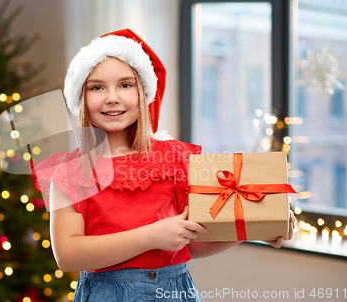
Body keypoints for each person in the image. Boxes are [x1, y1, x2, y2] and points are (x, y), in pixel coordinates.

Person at [32, 29, 296, 302]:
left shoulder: (175, 159)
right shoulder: (69, 172)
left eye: (125, 85)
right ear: (82, 98)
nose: (112, 97)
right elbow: (68, 254)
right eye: (97, 87)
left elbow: (191, 244)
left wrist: (253, 230)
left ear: (144, 93)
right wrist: (151, 236)